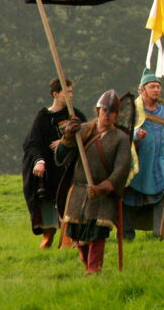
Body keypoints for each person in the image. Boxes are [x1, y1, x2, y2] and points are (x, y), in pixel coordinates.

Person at [55, 90, 133, 274]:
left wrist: (102, 188)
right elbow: (60, 158)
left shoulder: (120, 138)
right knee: (77, 234)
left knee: (97, 233)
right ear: (98, 110)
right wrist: (67, 136)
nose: (108, 114)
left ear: (116, 114)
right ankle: (86, 265)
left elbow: (121, 170)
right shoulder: (82, 130)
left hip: (102, 193)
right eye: (105, 110)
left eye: (112, 111)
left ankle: (94, 270)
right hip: (79, 191)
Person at [22, 78, 84, 249]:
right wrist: (38, 161)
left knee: (71, 201)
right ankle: (48, 235)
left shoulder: (75, 115)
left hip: (70, 169)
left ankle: (70, 238)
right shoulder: (43, 117)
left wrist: (66, 142)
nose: (71, 95)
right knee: (48, 202)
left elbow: (87, 135)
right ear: (55, 93)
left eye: (72, 92)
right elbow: (33, 143)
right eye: (67, 92)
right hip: (50, 170)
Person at [123, 69, 164, 240]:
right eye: (152, 86)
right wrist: (137, 134)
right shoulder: (132, 109)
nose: (156, 90)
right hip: (140, 162)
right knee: (130, 197)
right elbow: (123, 132)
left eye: (158, 86)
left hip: (161, 160)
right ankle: (126, 234)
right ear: (142, 89)